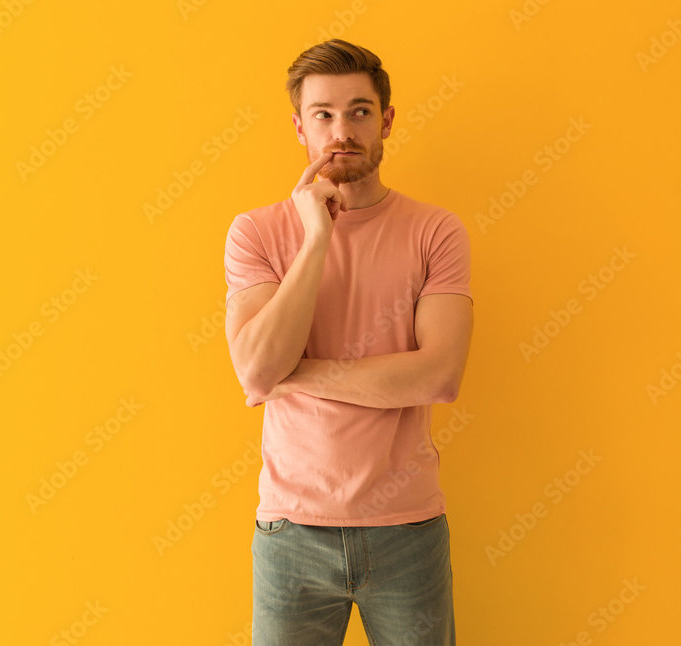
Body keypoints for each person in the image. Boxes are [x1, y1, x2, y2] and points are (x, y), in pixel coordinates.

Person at [222, 38, 472, 645]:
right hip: (291, 534)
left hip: (408, 529)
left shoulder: (436, 231)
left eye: (360, 111)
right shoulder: (256, 232)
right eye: (323, 114)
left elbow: (438, 375)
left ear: (386, 120)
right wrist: (315, 238)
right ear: (299, 127)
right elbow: (258, 365)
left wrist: (296, 374)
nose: (342, 130)